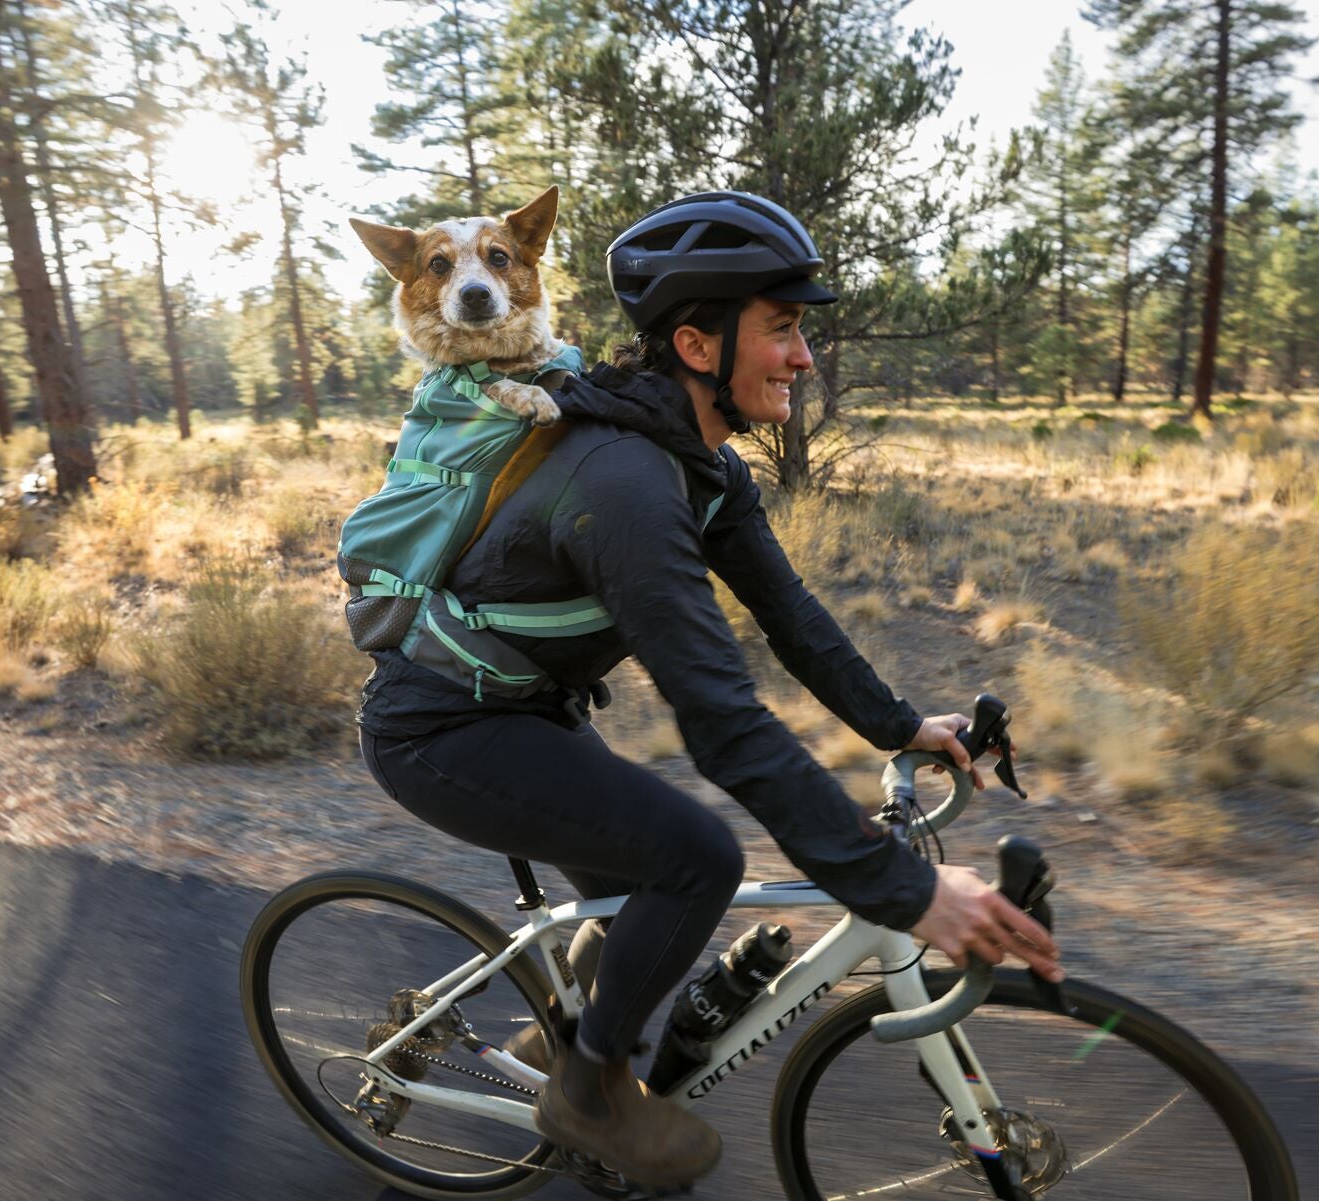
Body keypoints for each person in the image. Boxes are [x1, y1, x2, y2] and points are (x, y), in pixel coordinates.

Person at [356, 191, 1062, 1189]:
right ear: (696, 344)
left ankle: (552, 1044)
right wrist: (903, 890)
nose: (804, 357)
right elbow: (723, 719)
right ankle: (588, 1091)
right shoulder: (623, 486)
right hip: (436, 731)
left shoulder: (702, 464)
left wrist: (900, 726)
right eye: (783, 328)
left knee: (635, 903)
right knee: (695, 859)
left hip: (527, 711)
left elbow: (789, 611)